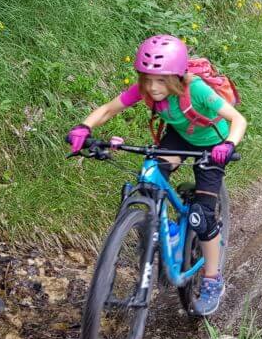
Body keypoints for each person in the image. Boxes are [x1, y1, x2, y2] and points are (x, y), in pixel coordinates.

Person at [67, 34, 247, 316]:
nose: (153, 87)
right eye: (147, 79)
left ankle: (213, 280)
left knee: (201, 216)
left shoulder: (196, 89)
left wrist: (228, 145)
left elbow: (237, 119)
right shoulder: (146, 90)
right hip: (179, 138)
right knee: (149, 177)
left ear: (177, 77)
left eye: (161, 80)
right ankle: (169, 231)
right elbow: (109, 109)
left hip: (212, 146)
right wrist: (84, 127)